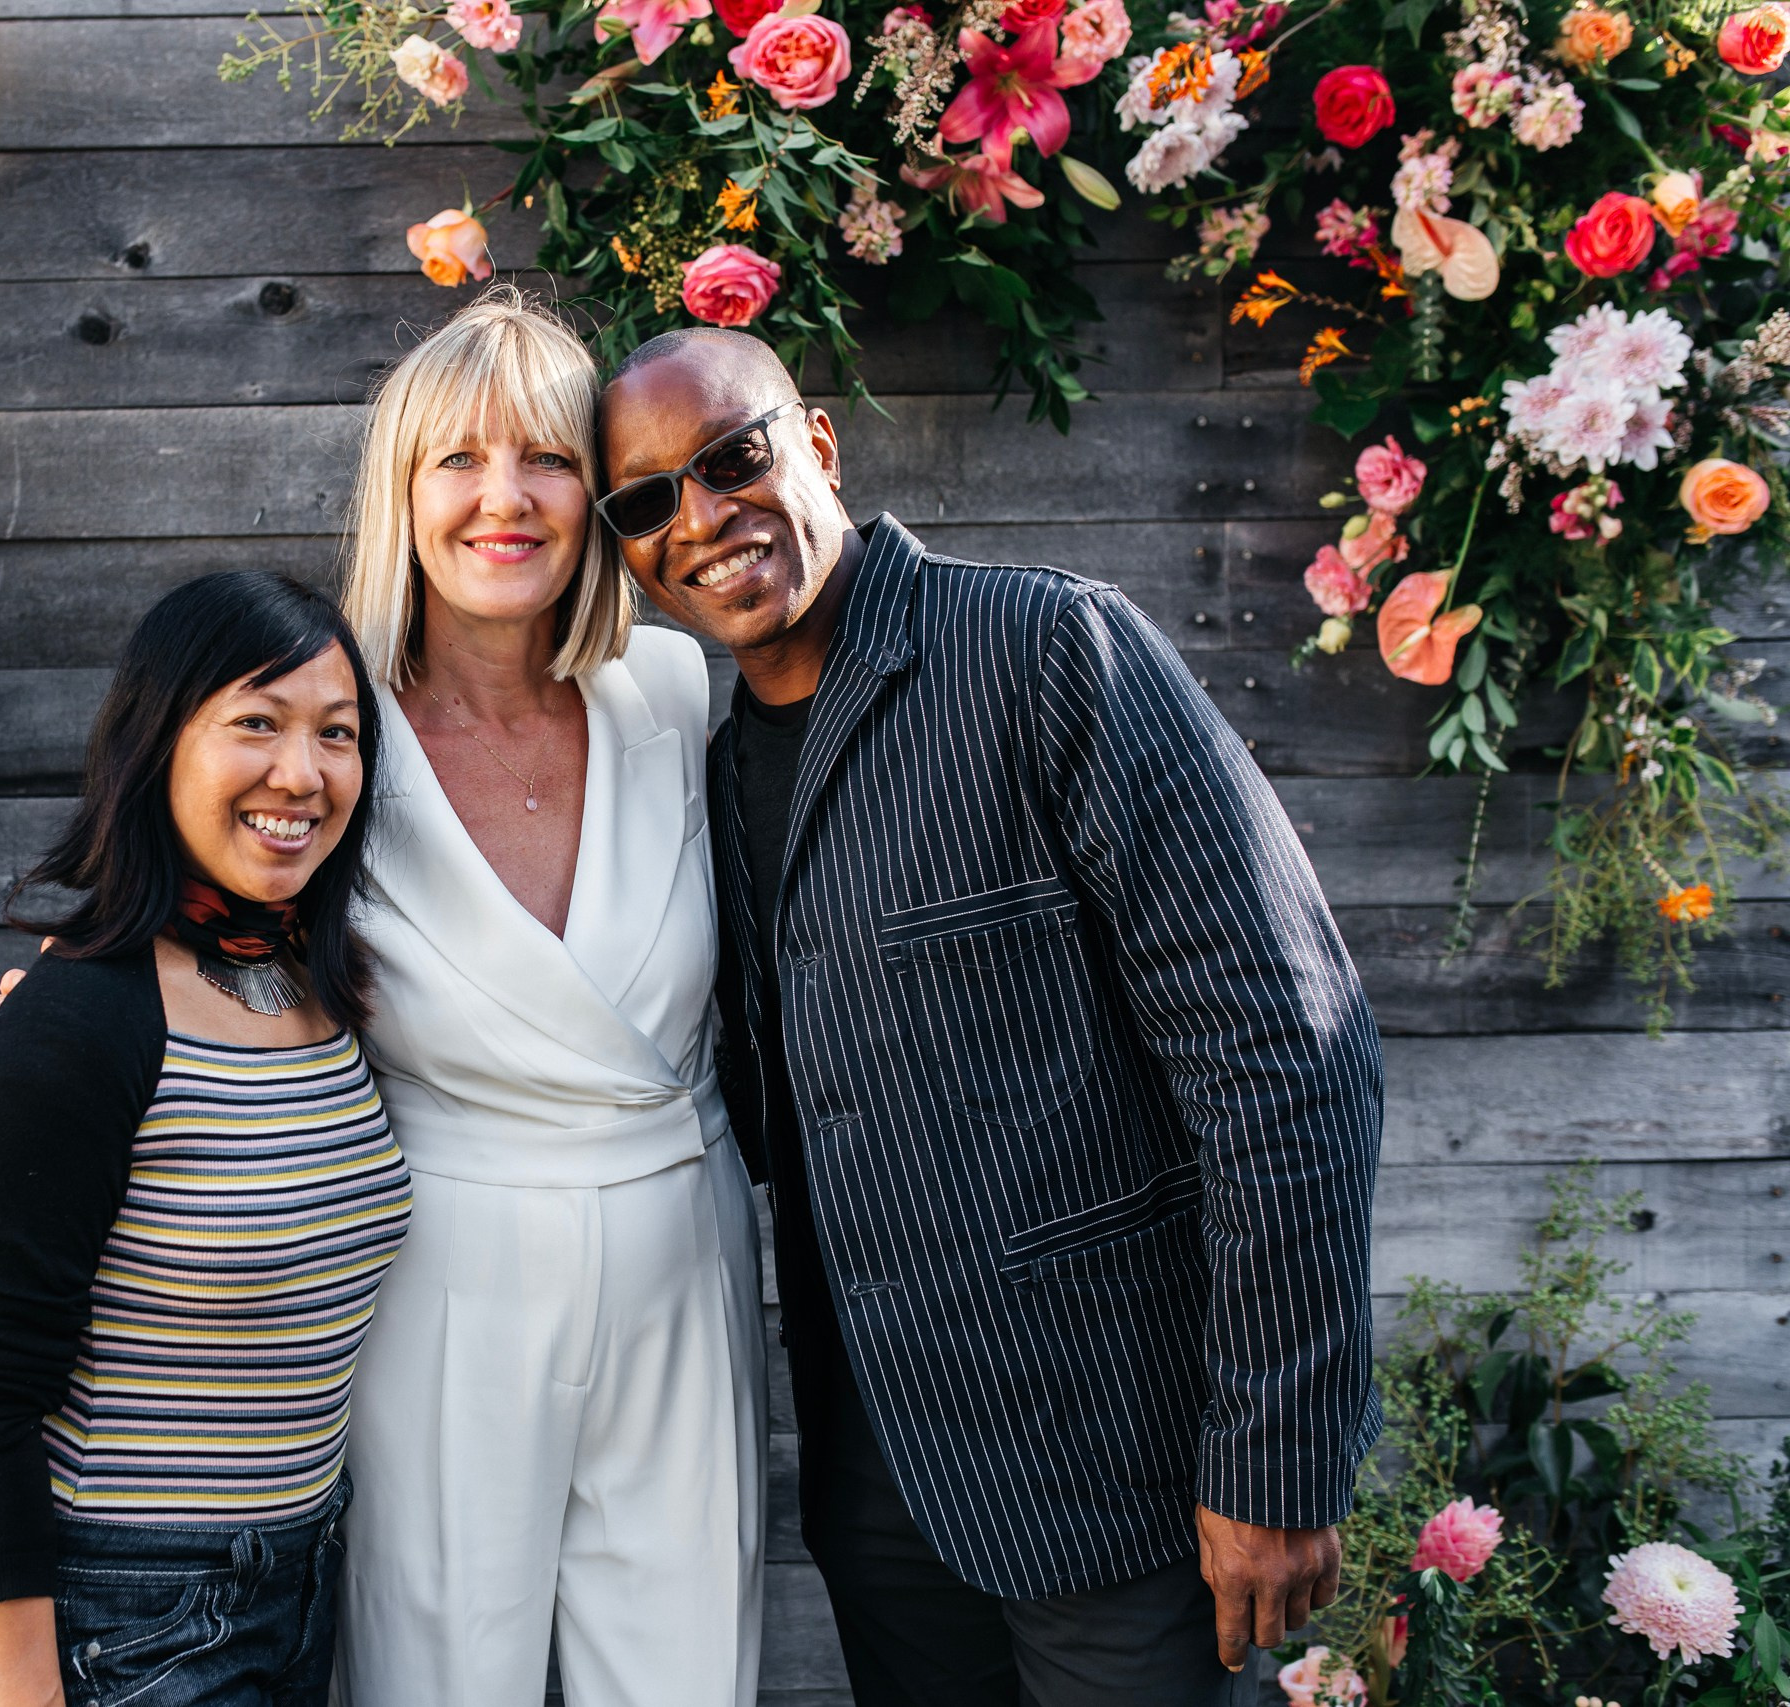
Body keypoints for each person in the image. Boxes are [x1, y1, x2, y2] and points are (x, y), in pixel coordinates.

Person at [0, 290, 766, 1707]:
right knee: (438, 1673)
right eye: (456, 460)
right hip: (447, 1267)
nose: (503, 498)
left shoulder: (672, 690)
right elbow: (186, 870)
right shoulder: (333, 725)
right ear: (400, 490)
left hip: (678, 1256)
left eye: (543, 456)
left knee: (687, 1674)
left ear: (597, 489)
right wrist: (68, 987)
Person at [593, 328, 1384, 1707]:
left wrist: (1276, 1451)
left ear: (818, 446)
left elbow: (1288, 1053)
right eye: (646, 500)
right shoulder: (708, 781)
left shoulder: (1042, 651)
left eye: (731, 459)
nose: (699, 517)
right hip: (886, 1506)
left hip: (1125, 1489)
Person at [0, 570, 410, 1707]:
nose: (302, 773)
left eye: (336, 735)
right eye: (256, 723)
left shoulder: (318, 984)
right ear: (157, 744)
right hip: (124, 1618)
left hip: (300, 1582)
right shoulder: (79, 1021)